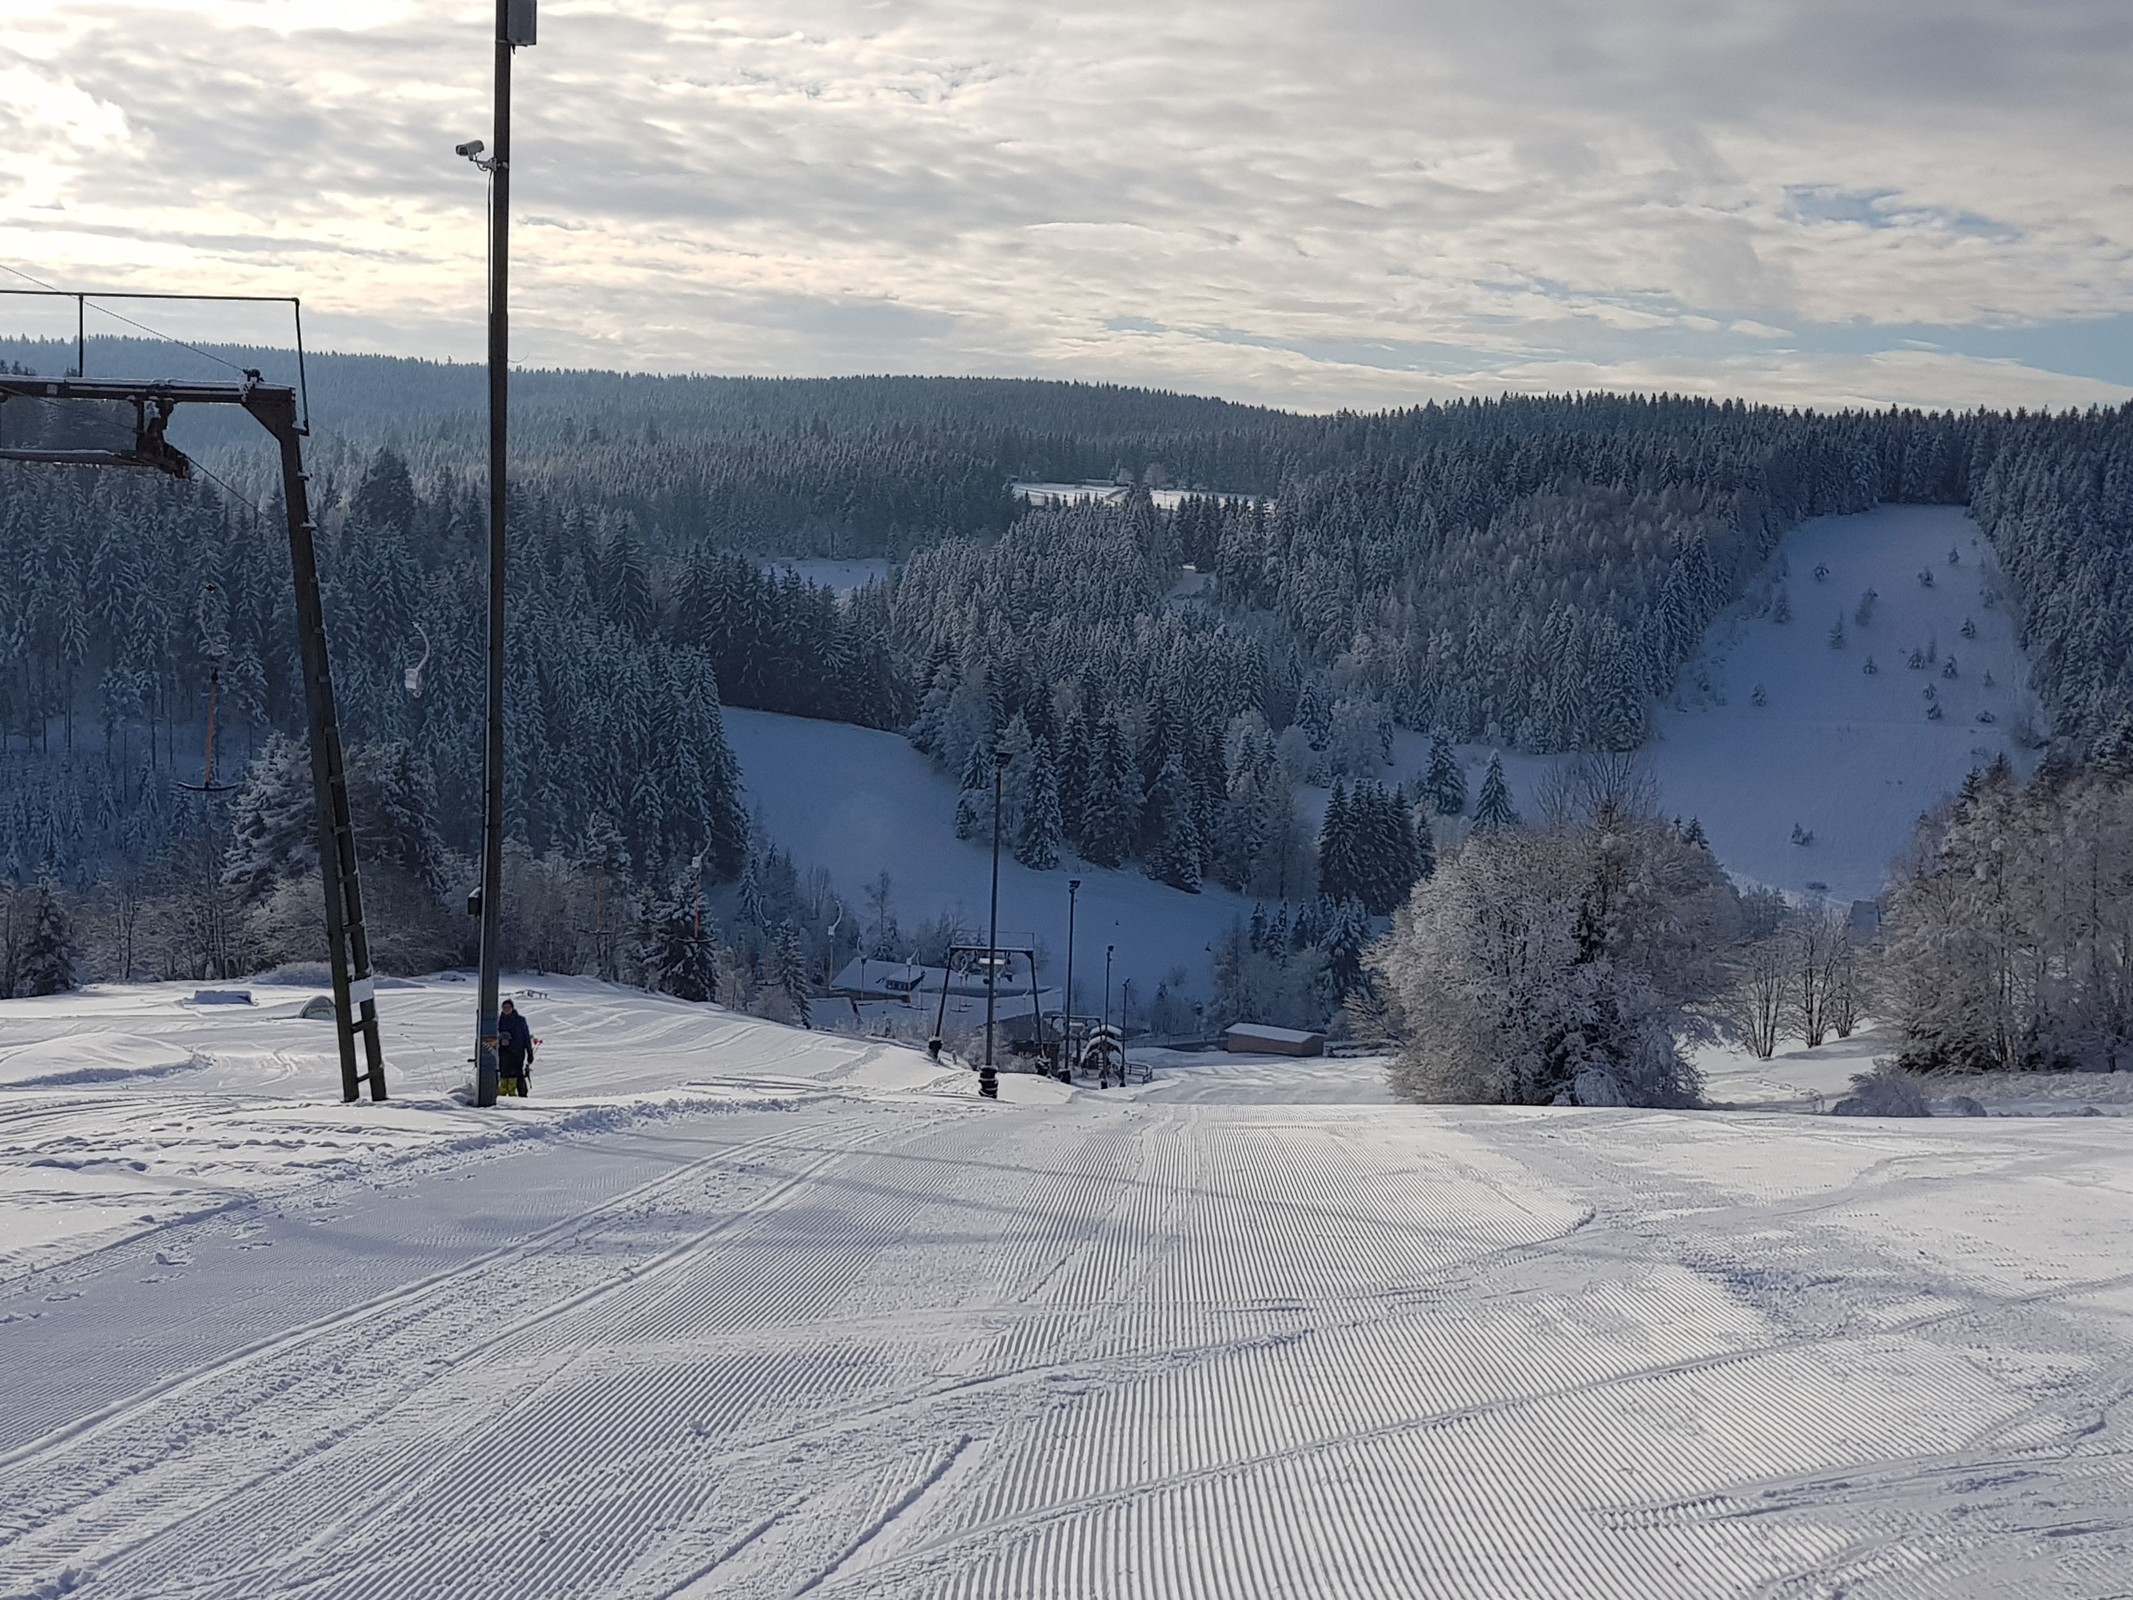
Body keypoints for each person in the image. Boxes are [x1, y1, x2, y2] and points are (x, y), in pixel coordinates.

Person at [498, 997, 535, 1097]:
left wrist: (530, 1053)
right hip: (503, 1052)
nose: (506, 1009)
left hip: (517, 1052)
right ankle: (503, 1097)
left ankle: (522, 1096)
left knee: (517, 1074)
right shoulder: (499, 1020)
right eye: (504, 1007)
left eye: (508, 1007)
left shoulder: (520, 1020)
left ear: (512, 1008)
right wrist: (500, 1041)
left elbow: (526, 1037)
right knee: (504, 1074)